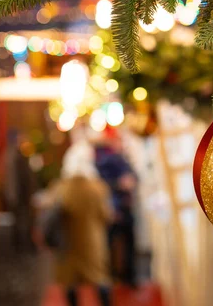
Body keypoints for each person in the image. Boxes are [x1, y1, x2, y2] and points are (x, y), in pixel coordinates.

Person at [51, 137, 113, 306]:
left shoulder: (60, 188)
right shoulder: (97, 188)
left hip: (68, 244)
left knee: (70, 283)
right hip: (92, 243)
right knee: (100, 279)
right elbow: (106, 215)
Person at [95, 130, 138, 287]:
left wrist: (130, 181)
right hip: (113, 208)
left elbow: (134, 176)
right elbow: (101, 185)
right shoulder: (104, 161)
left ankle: (127, 275)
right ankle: (112, 276)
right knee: (110, 245)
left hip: (124, 207)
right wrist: (119, 184)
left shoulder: (122, 159)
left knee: (128, 243)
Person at [4, 130, 35, 252]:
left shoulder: (18, 155)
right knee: (20, 221)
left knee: (21, 220)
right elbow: (15, 178)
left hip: (19, 194)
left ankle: (20, 244)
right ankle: (19, 245)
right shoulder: (15, 156)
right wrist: (15, 195)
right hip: (18, 194)